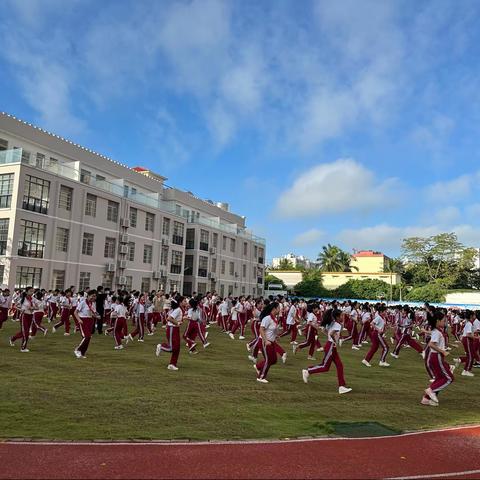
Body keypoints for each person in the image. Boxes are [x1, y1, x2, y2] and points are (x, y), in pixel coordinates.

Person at [302, 308, 352, 394]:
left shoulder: (332, 323)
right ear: (337, 317)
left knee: (340, 365)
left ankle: (341, 386)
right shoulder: (337, 325)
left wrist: (330, 338)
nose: (343, 317)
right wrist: (334, 341)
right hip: (331, 347)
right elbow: (331, 333)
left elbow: (324, 330)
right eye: (341, 316)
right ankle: (308, 371)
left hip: (331, 346)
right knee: (325, 367)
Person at [421, 308, 454, 406]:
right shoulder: (437, 332)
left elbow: (434, 336)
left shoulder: (437, 331)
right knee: (449, 378)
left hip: (435, 357)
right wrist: (442, 351)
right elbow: (431, 344)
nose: (445, 322)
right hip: (436, 357)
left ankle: (426, 399)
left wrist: (426, 331)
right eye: (443, 321)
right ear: (437, 321)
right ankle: (431, 390)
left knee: (439, 378)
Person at [155, 296, 187, 370]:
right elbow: (169, 318)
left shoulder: (178, 309)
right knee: (172, 348)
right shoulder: (178, 309)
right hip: (172, 329)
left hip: (175, 329)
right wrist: (177, 323)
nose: (186, 302)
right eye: (184, 301)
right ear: (180, 302)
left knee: (177, 348)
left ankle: (172, 364)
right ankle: (161, 346)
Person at [254, 302, 280, 384]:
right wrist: (265, 340)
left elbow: (272, 330)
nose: (280, 309)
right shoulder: (267, 318)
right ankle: (261, 377)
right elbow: (261, 330)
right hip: (264, 342)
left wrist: (276, 337)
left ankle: (258, 366)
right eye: (278, 308)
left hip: (271, 342)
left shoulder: (275, 319)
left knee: (274, 360)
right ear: (274, 309)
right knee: (268, 360)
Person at [73, 289, 99, 358]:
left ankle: (82, 353)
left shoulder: (93, 303)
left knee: (88, 337)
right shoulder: (83, 302)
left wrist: (96, 316)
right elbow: (75, 312)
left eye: (95, 296)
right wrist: (79, 320)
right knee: (86, 336)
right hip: (83, 320)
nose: (93, 298)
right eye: (92, 296)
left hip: (90, 321)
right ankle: (77, 350)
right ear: (88, 296)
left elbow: (92, 313)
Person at [9, 287, 35, 352]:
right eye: (30, 291)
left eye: (33, 291)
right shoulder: (22, 299)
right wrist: (21, 310)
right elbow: (15, 306)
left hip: (30, 316)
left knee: (23, 332)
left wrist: (34, 308)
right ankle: (23, 348)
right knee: (26, 333)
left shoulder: (33, 299)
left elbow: (37, 307)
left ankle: (12, 338)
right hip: (24, 316)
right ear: (26, 292)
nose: (32, 292)